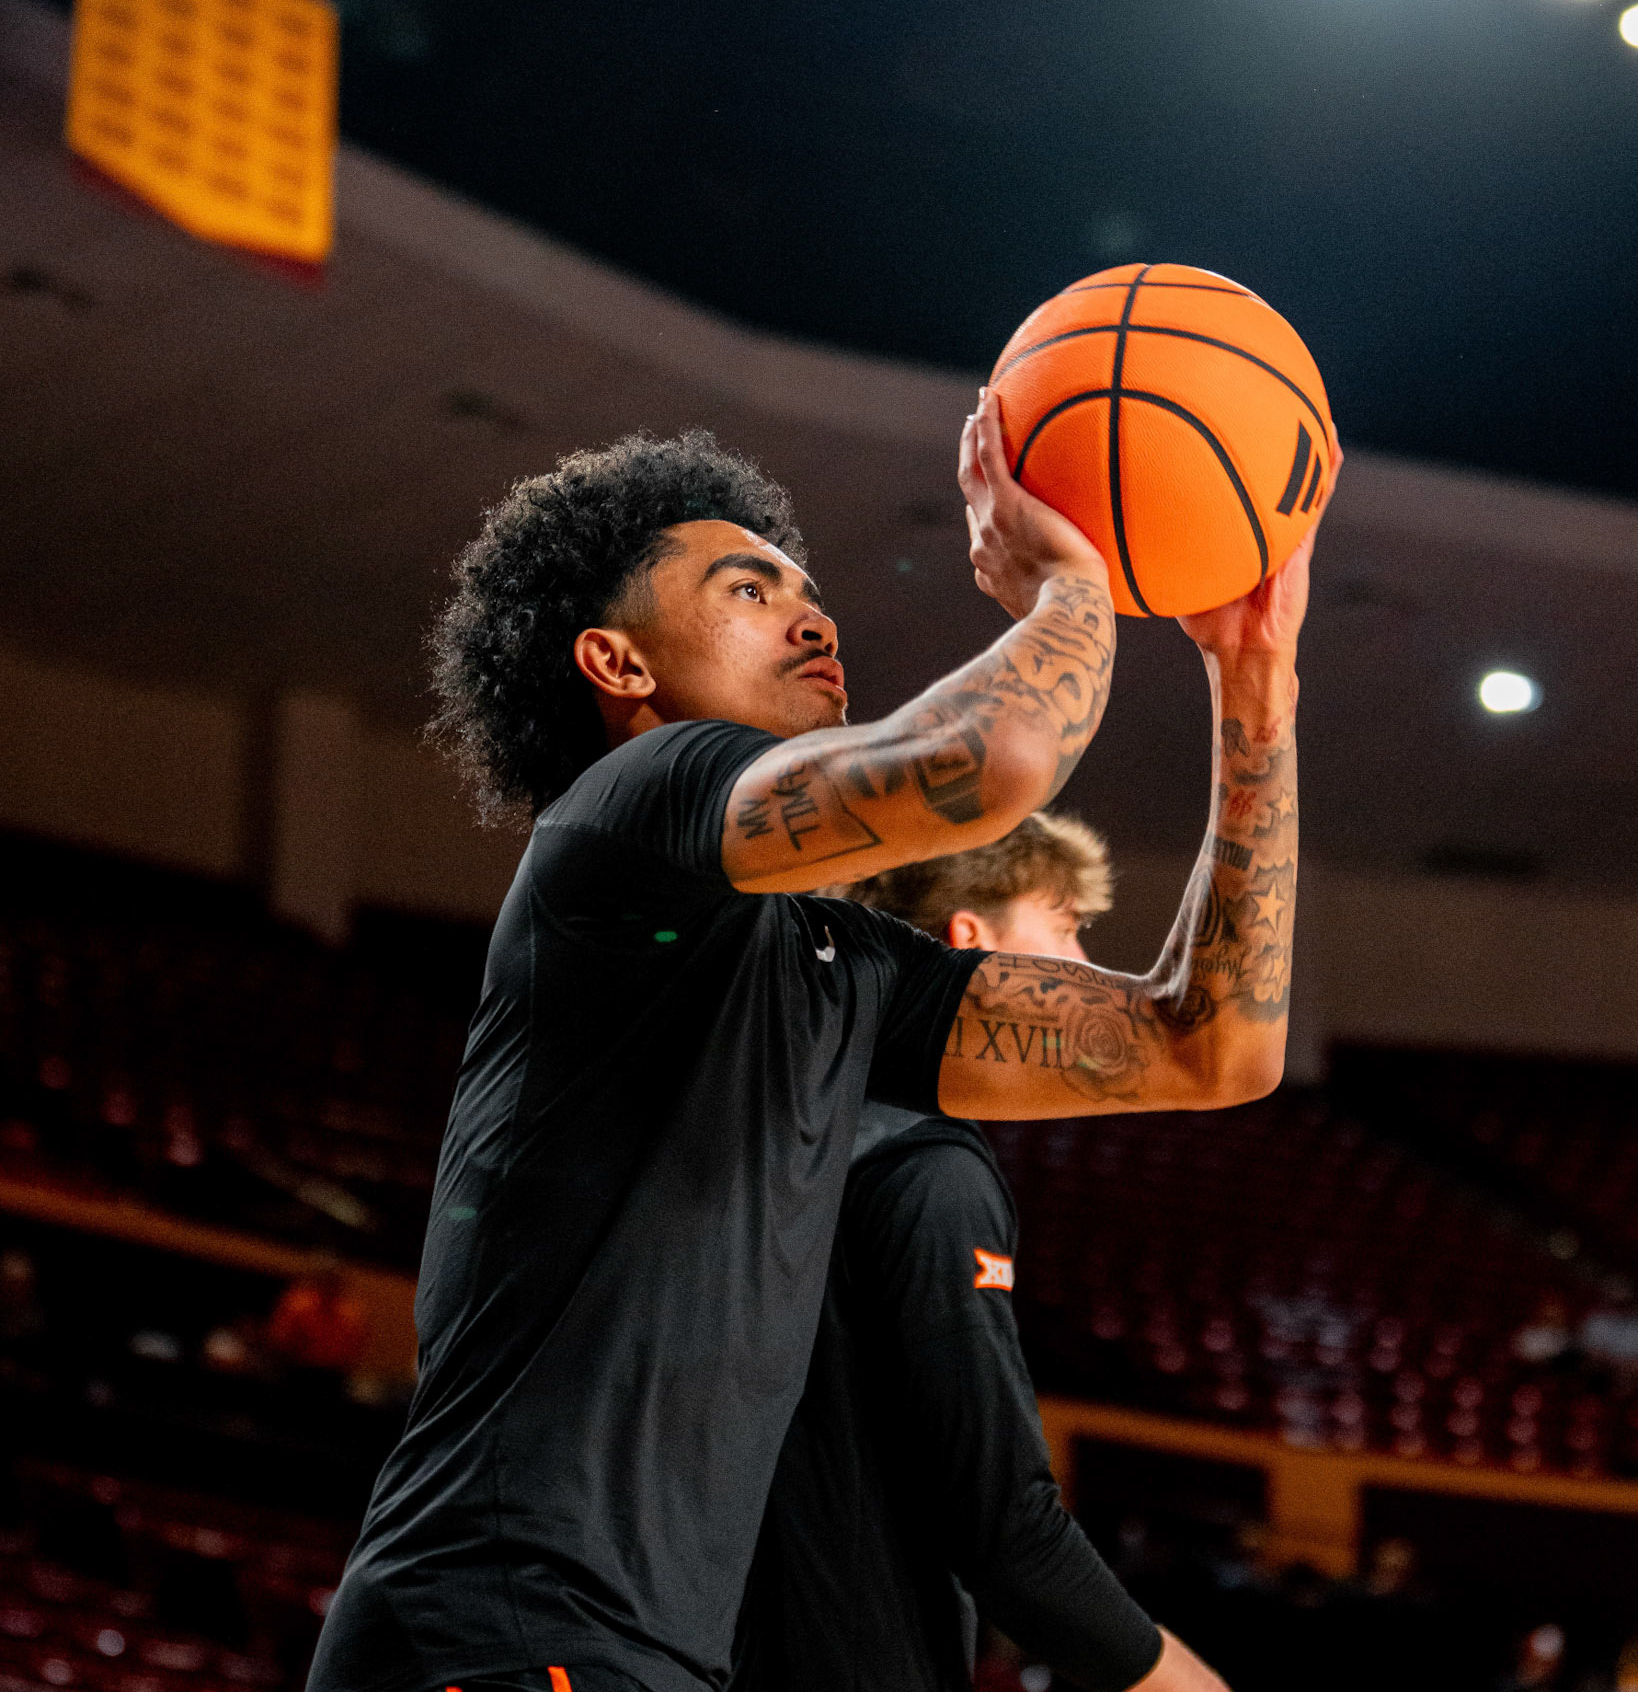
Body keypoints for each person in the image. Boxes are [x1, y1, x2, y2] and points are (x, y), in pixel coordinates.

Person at [307, 392, 1320, 1692]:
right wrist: (1072, 579)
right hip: (500, 1626)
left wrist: (1253, 682)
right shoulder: (624, 805)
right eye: (746, 587)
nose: (813, 614)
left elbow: (1212, 1048)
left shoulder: (839, 970)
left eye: (809, 590)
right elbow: (995, 758)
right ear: (622, 666)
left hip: (631, 1653)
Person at [730, 813, 1229, 1692]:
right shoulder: (928, 1169)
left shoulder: (786, 1120)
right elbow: (1003, 1530)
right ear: (973, 944)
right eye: (1068, 926)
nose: (1088, 967)